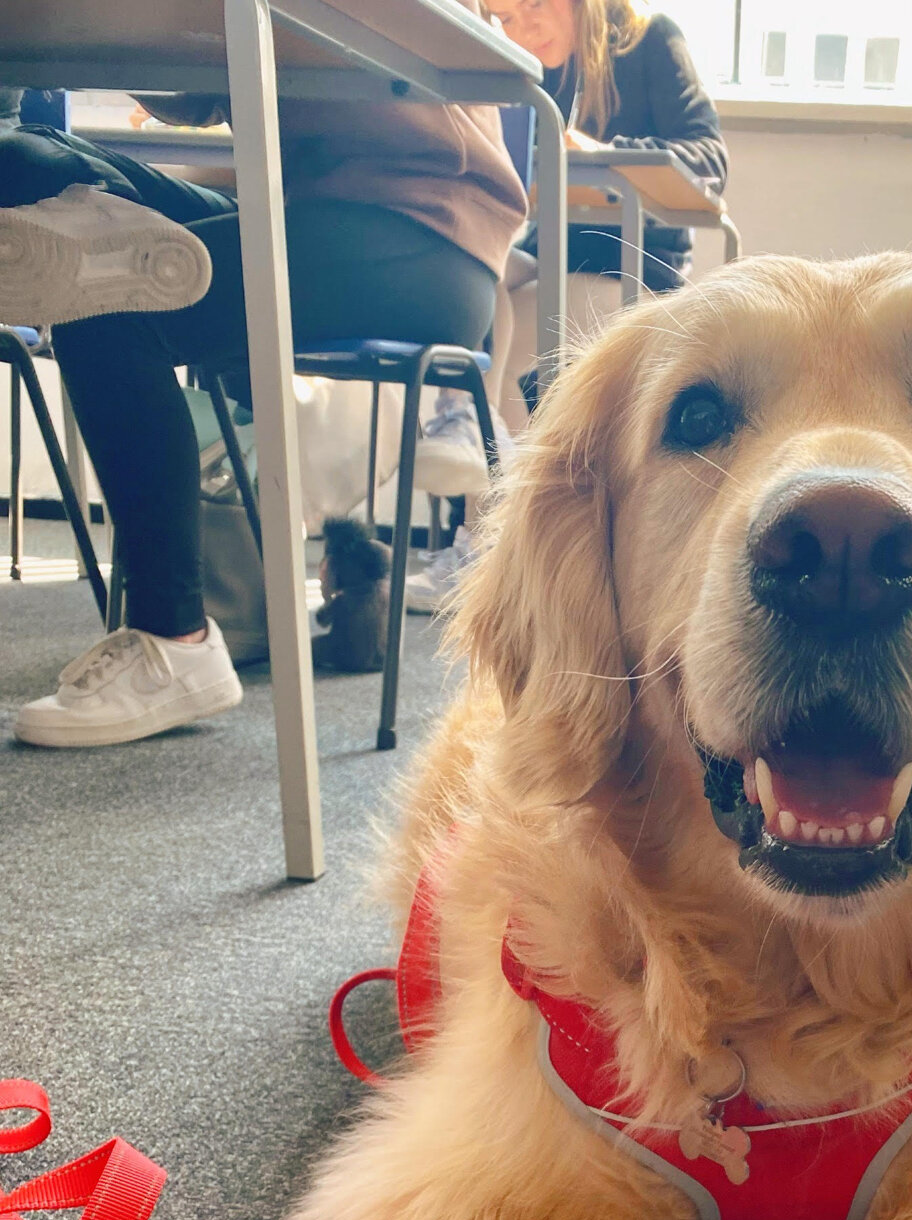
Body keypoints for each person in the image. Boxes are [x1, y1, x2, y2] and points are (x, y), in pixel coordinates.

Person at [0, 63, 525, 747]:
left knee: (106, 296)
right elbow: (197, 88)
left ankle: (175, 640)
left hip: (417, 234)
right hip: (321, 211)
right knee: (32, 159)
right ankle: (86, 200)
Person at [408, 0, 724, 544]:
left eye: (533, 5)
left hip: (633, 261)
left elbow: (708, 160)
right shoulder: (527, 72)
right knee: (467, 257)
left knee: (511, 309)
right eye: (505, 17)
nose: (523, 28)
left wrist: (601, 154)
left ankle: (477, 522)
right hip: (552, 255)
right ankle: (461, 427)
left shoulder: (649, 43)